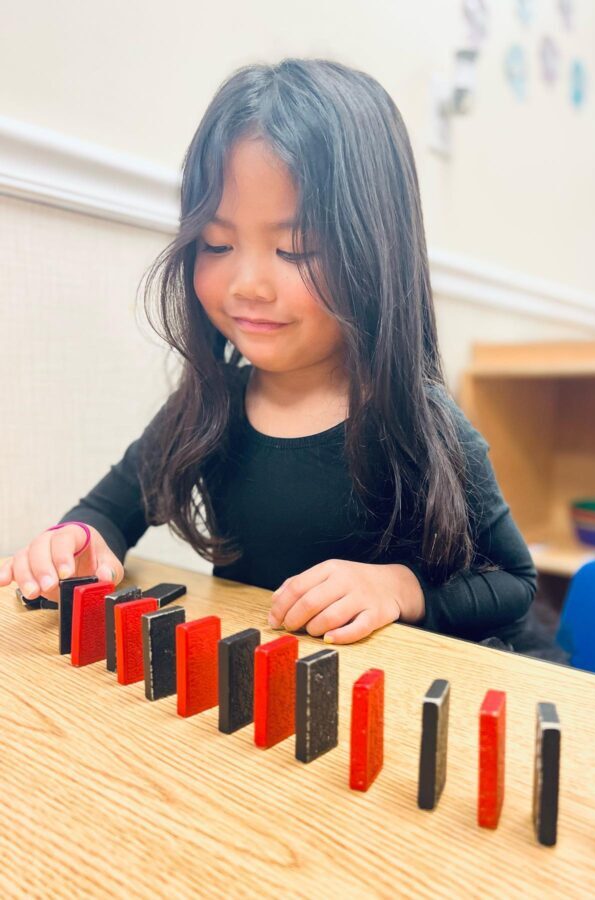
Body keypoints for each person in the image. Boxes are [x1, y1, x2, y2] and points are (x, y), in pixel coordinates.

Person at [0, 58, 537, 648]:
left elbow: (512, 581)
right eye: (216, 243)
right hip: (254, 710)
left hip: (392, 709)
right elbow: (104, 515)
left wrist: (400, 589)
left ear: (374, 254)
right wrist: (76, 543)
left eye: (295, 248)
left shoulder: (419, 420)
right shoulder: (209, 408)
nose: (247, 284)